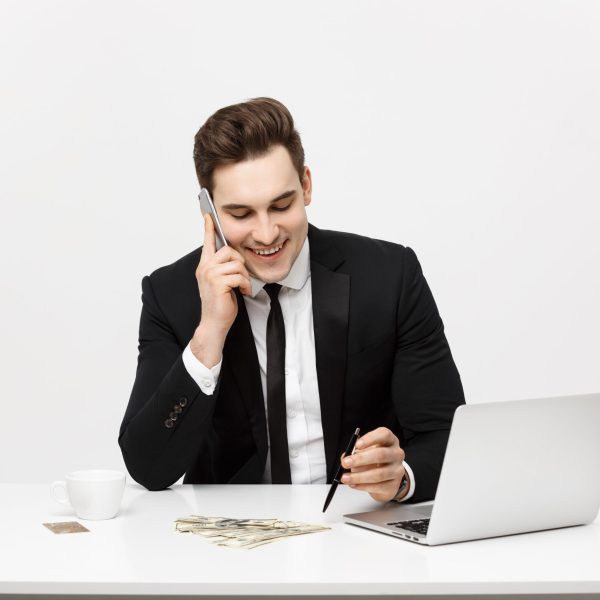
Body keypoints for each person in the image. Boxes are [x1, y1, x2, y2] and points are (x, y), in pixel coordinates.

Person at [118, 97, 465, 504]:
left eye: (281, 205)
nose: (266, 235)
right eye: (241, 214)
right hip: (233, 543)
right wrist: (209, 331)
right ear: (208, 211)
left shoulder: (390, 276)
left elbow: (449, 436)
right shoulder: (170, 294)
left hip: (359, 532)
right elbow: (148, 468)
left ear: (306, 186)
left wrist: (401, 477)